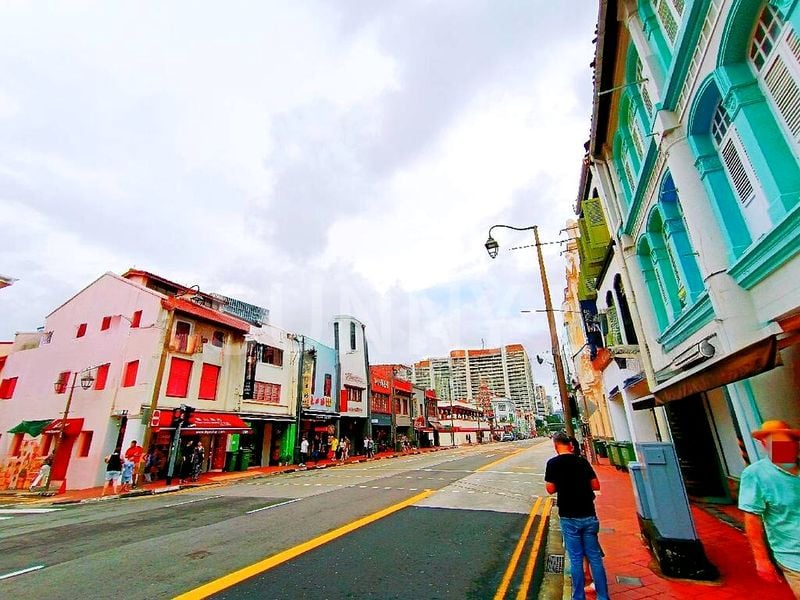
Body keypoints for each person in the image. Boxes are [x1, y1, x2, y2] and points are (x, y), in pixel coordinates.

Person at [738, 420, 800, 597]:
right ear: (765, 444)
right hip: (793, 557)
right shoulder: (756, 474)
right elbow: (752, 518)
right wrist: (761, 559)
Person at [545, 432, 609, 600]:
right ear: (571, 445)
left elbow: (550, 489)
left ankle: (578, 596)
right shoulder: (582, 462)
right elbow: (595, 485)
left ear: (555, 446)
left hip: (568, 515)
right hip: (588, 514)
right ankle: (603, 596)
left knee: (575, 558)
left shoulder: (553, 463)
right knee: (595, 558)